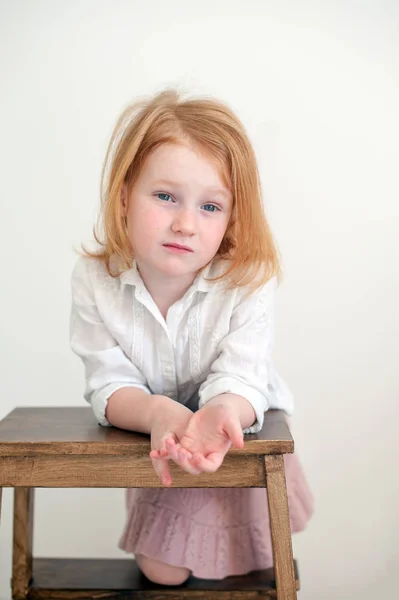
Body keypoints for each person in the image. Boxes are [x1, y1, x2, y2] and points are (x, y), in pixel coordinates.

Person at [70, 88, 313, 586]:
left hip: (236, 430)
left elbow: (243, 372)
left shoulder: (248, 278)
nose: (184, 223)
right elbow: (107, 380)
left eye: (209, 206)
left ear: (230, 220)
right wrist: (159, 412)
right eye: (165, 197)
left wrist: (224, 411)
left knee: (261, 562)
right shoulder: (96, 279)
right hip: (162, 438)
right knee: (163, 571)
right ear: (123, 196)